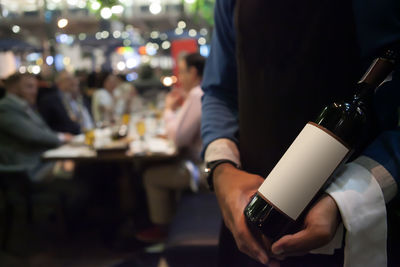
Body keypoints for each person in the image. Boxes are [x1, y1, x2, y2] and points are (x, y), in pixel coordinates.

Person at [201, 0, 400, 266]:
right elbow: (219, 92)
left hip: (354, 222)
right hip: (247, 220)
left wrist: (346, 198)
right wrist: (221, 170)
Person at [136, 53, 206, 242]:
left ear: (193, 72)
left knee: (151, 176)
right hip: (199, 164)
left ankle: (162, 229)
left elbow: (179, 139)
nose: (179, 78)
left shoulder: (197, 94)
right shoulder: (199, 93)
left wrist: (168, 110)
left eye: (182, 72)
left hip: (201, 170)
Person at [0, 73, 72, 181]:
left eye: (35, 87)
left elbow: (44, 130)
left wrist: (61, 137)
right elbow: (33, 135)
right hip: (29, 171)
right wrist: (62, 138)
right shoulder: (5, 108)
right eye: (29, 87)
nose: (35, 92)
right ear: (13, 88)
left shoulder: (24, 106)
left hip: (43, 162)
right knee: (82, 175)